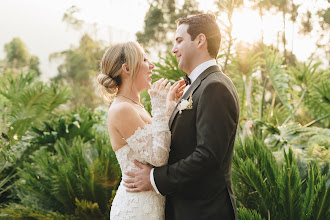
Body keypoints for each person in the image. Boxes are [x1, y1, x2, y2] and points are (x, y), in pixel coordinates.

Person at [124, 14, 239, 220]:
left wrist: (154, 178)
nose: (173, 49)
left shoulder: (214, 87)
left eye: (179, 41)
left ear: (200, 40)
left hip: (204, 212)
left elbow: (207, 156)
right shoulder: (197, 86)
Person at [97, 41, 185, 219]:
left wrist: (169, 106)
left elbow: (160, 141)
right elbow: (159, 158)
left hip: (150, 205)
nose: (151, 65)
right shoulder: (122, 109)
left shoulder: (135, 107)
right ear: (127, 68)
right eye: (145, 59)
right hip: (136, 209)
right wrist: (160, 107)